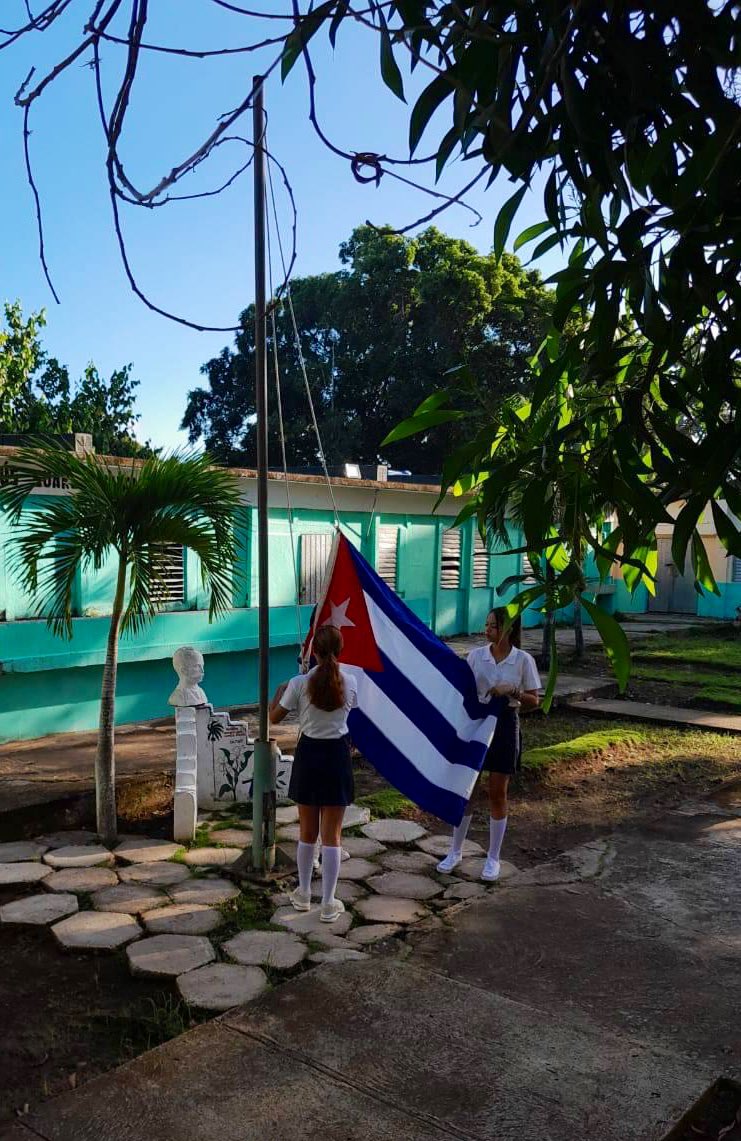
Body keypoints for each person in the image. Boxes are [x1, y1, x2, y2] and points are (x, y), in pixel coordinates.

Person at [437, 607, 541, 881]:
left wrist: (513, 691)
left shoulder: (522, 660)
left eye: (493, 626)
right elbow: (461, 690)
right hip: (478, 723)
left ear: (507, 629)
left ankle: (493, 857)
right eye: (486, 625)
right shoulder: (476, 657)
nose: (487, 630)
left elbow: (533, 700)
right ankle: (455, 850)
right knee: (467, 789)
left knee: (497, 791)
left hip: (506, 724)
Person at [270, 624, 357, 922]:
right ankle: (329, 903)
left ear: (314, 652)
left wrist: (280, 691)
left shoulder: (298, 683)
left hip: (309, 755)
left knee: (307, 832)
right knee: (332, 835)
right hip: (336, 756)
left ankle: (304, 893)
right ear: (340, 650)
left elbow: (273, 718)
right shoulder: (351, 681)